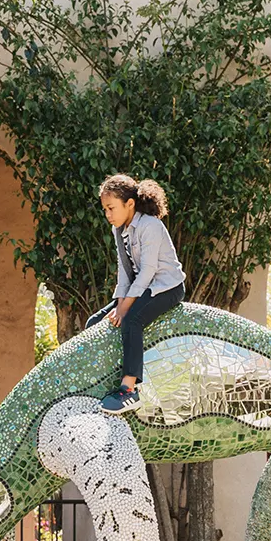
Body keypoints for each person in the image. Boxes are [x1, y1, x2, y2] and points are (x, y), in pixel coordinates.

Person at [86, 174, 187, 414]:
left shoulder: (150, 225)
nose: (108, 215)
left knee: (132, 321)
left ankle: (129, 390)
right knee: (95, 322)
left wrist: (125, 308)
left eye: (111, 208)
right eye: (105, 210)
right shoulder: (118, 230)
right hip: (140, 288)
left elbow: (148, 272)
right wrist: (119, 304)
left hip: (165, 287)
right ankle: (97, 383)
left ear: (129, 204)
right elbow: (124, 271)